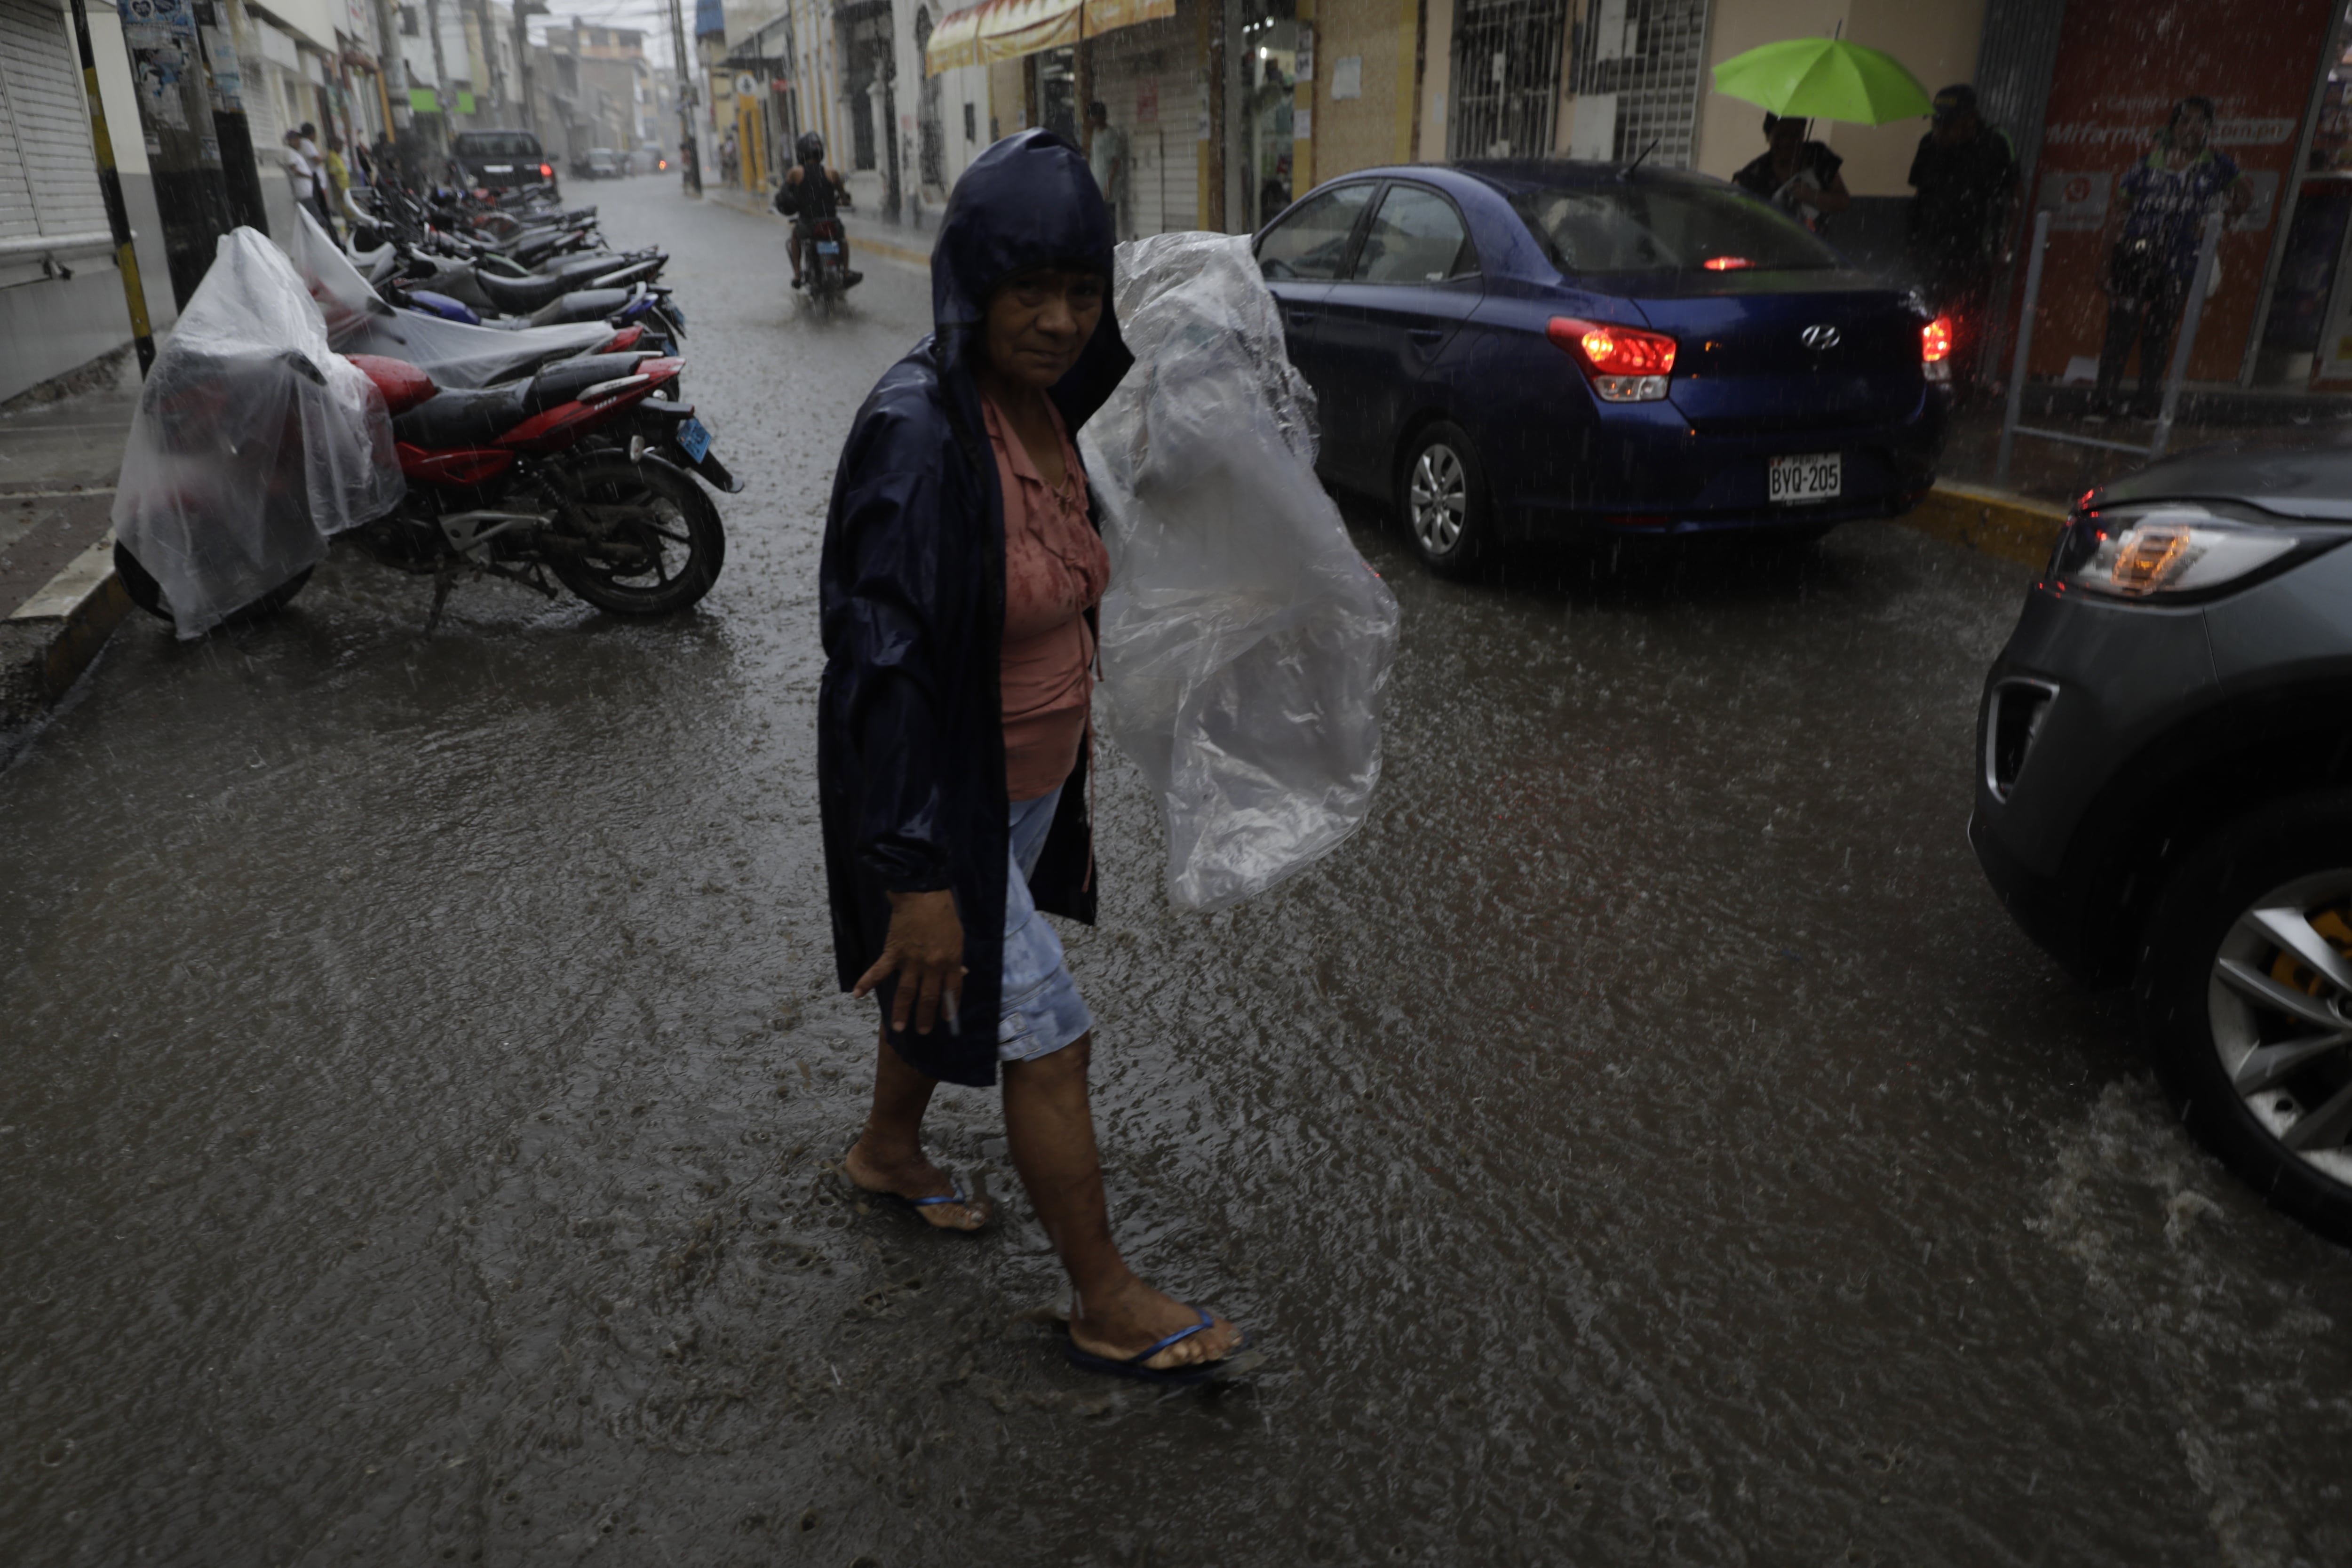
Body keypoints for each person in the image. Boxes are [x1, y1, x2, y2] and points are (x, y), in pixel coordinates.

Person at [818, 128, 1248, 1385]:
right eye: (1030, 293)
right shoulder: (920, 431)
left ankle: (886, 1152)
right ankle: (1106, 1295)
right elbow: (883, 662)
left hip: (1021, 783)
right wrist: (913, 872)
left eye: (1081, 292)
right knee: (1045, 1031)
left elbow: (1122, 517)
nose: (1061, 321)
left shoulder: (1047, 403)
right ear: (971, 288)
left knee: (943, 975)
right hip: (942, 797)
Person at [2090, 95, 2253, 419]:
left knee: (2158, 334)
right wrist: (2105, 261)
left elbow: (2245, 196)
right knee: (2121, 330)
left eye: (2199, 123)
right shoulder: (2145, 165)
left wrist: (2217, 219)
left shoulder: (2217, 165)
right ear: (2173, 127)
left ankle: (2146, 404)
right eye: (2185, 121)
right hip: (2136, 260)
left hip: (2180, 264)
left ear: (2207, 129)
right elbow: (2118, 215)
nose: (2191, 128)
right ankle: (2102, 402)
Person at [1906, 84, 2016, 395]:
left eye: (1948, 123)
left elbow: (2009, 199)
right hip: (1931, 245)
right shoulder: (1929, 145)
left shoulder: (1994, 144)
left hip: (1973, 247)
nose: (1940, 129)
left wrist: (2002, 246)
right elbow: (1919, 195)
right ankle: (1932, 382)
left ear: (1970, 119)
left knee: (1966, 321)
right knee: (1930, 317)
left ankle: (1962, 385)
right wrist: (1913, 241)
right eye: (1936, 122)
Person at [1732, 112, 1851, 232]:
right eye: (1780, 135)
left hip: (1816, 244)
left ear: (1803, 135)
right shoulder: (1756, 172)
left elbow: (1843, 202)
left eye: (1795, 135)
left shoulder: (1818, 155)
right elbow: (1733, 206)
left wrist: (1812, 196)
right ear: (1768, 137)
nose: (1787, 142)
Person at [780, 131, 862, 291]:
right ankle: (846, 272)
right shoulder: (832, 173)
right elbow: (844, 198)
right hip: (830, 224)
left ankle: (797, 275)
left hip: (809, 225)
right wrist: (842, 201)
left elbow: (785, 194)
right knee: (842, 239)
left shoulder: (796, 173)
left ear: (801, 152)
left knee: (795, 237)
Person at [1084, 101, 1128, 240]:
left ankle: (1113, 253)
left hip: (1107, 189)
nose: (1093, 120)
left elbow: (1116, 162)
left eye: (1094, 117)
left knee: (1109, 224)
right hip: (1096, 186)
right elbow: (1095, 157)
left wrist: (1108, 186)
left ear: (1102, 116)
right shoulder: (1096, 134)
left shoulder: (1111, 135)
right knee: (1098, 224)